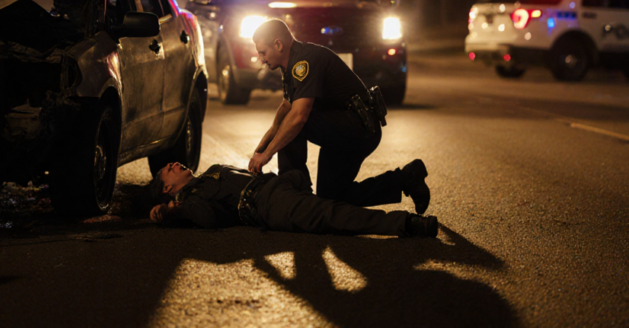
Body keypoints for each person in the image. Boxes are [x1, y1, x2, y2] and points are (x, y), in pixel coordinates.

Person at [247, 19, 430, 213]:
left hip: (358, 128)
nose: (261, 59)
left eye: (262, 52)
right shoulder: (290, 65)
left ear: (278, 45)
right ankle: (407, 178)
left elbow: (298, 117)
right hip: (341, 129)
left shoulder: (304, 62)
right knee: (332, 197)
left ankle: (295, 194)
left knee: (295, 123)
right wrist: (259, 151)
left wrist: (267, 155)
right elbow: (285, 109)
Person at [148, 162, 439, 238]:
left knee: (334, 198)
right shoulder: (191, 199)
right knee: (332, 214)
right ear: (167, 188)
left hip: (282, 182)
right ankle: (408, 224)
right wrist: (173, 212)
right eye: (167, 169)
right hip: (269, 203)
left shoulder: (209, 172)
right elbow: (209, 218)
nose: (174, 163)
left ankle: (404, 179)